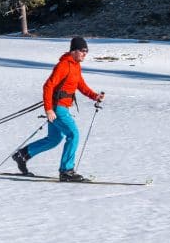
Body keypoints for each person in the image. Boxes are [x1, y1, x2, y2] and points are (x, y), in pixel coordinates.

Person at [12, 36, 105, 182]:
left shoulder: (75, 65)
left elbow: (80, 85)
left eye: (86, 51)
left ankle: (23, 154)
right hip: (58, 108)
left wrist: (94, 96)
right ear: (74, 51)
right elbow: (48, 86)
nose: (85, 53)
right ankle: (66, 171)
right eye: (82, 50)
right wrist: (48, 109)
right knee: (73, 134)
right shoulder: (63, 65)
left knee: (54, 139)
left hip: (62, 107)